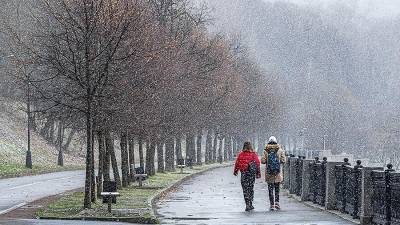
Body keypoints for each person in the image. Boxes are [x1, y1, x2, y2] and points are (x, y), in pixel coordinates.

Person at [234, 141, 261, 211]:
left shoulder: (241, 154)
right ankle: (250, 203)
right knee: (251, 188)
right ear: (250, 146)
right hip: (251, 174)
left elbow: (237, 163)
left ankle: (247, 204)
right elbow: (257, 164)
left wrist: (235, 171)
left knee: (245, 189)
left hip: (243, 174)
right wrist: (258, 173)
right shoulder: (253, 154)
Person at [261, 136, 286, 211]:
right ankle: (277, 203)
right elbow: (283, 160)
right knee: (277, 188)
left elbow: (262, 161)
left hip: (269, 173)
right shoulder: (280, 150)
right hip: (277, 173)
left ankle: (272, 204)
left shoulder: (266, 150)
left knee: (270, 189)